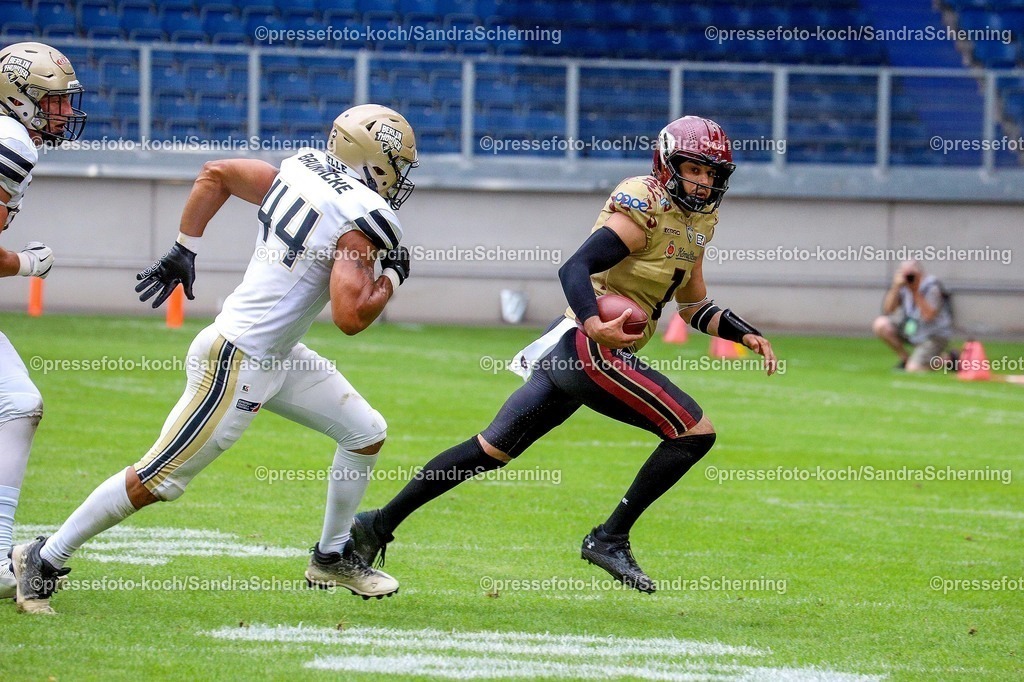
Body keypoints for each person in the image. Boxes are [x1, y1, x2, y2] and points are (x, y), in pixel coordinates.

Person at [10, 104, 418, 614]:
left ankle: (331, 556)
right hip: (238, 358)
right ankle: (42, 557)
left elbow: (217, 174)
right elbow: (350, 316)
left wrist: (185, 246)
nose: (398, 179)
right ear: (372, 160)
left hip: (275, 352)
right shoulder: (359, 217)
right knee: (158, 478)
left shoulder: (302, 168)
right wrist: (394, 276)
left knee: (365, 431)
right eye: (396, 164)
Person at [351, 116, 778, 593]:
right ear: (667, 163)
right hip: (589, 346)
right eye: (694, 169)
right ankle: (609, 537)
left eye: (712, 173)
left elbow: (693, 305)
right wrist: (595, 321)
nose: (703, 182)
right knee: (693, 432)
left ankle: (375, 525)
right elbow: (575, 267)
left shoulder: (697, 223)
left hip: (575, 350)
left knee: (489, 450)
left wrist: (744, 333)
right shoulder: (645, 205)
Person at [0, 42, 87, 601]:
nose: (62, 113)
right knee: (17, 402)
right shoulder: (10, 143)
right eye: (52, 102)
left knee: (18, 403)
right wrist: (30, 263)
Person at [872, 259, 953, 372]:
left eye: (911, 275)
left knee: (914, 369)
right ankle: (905, 358)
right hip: (914, 330)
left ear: (920, 273)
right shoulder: (903, 286)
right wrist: (895, 287)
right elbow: (888, 310)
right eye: (905, 274)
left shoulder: (932, 287)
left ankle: (948, 361)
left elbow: (929, 315)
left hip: (933, 335)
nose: (909, 278)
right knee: (881, 324)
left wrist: (915, 292)